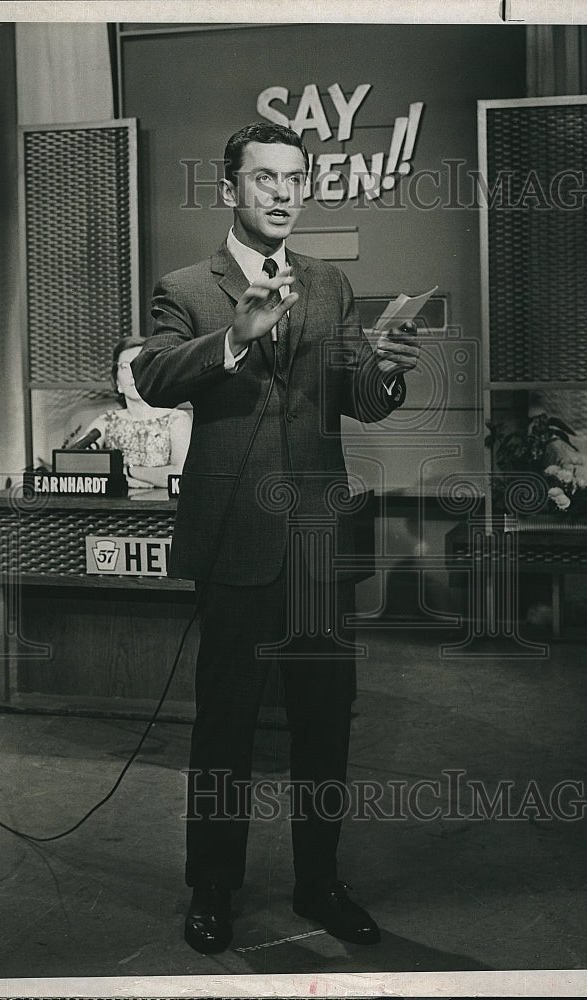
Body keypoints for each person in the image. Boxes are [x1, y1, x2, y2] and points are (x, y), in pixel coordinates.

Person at [131, 122, 422, 954]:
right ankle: (213, 888)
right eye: (266, 179)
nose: (285, 193)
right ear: (232, 188)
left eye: (296, 179)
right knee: (224, 731)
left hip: (320, 547)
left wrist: (389, 366)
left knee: (326, 726)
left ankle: (319, 882)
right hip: (236, 547)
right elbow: (152, 376)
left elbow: (357, 398)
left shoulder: (330, 286)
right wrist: (234, 338)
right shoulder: (187, 285)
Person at [81, 337, 191, 489]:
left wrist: (127, 472)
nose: (133, 373)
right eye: (125, 366)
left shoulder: (177, 420)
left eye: (140, 365)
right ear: (117, 380)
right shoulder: (105, 421)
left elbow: (178, 476)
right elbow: (76, 464)